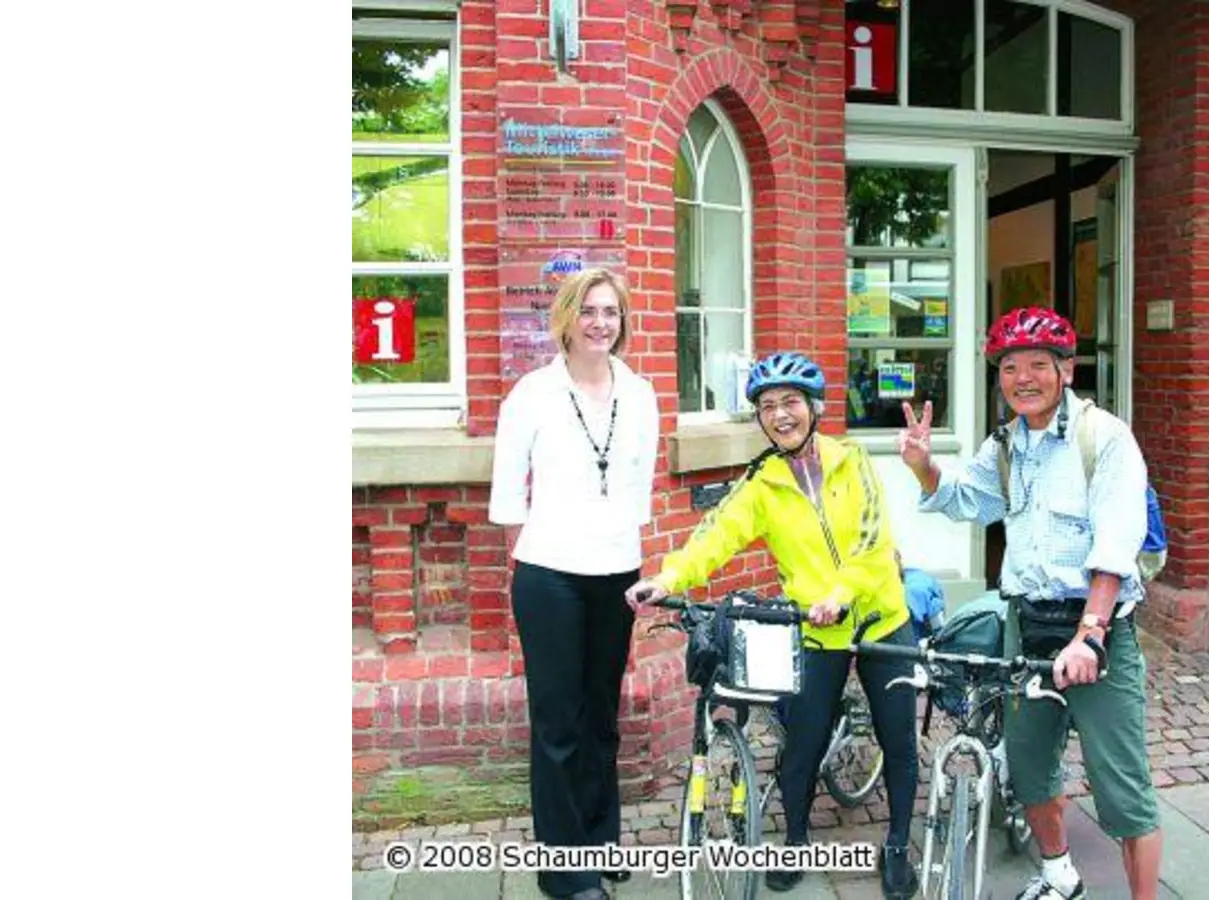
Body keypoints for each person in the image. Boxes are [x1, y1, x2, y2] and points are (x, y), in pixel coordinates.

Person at [624, 351, 919, 900]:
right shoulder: (762, 483)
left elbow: (873, 543)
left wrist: (841, 592)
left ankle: (898, 845)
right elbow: (716, 534)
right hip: (815, 628)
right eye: (767, 406)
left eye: (790, 403)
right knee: (801, 746)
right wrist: (669, 578)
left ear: (814, 408)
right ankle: (798, 840)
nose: (780, 415)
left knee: (897, 739)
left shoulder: (854, 461)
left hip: (881, 619)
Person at [896, 307, 1163, 900]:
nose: (1023, 377)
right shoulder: (1007, 446)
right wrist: (924, 467)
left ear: (1065, 371)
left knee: (1121, 786)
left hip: (1097, 632)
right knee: (1030, 767)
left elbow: (1117, 542)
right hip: (1028, 626)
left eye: (1039, 364)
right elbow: (968, 501)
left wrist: (1090, 631)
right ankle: (1058, 874)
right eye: (1010, 367)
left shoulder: (1105, 438)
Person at [488, 267, 661, 900]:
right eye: (588, 311)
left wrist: (627, 554)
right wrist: (538, 558)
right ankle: (563, 871)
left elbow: (638, 487)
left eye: (610, 312)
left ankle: (598, 836)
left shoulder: (640, 393)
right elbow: (508, 496)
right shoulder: (531, 393)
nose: (600, 323)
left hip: (616, 574)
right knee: (558, 722)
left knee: (602, 717)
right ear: (567, 317)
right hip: (550, 576)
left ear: (622, 321)